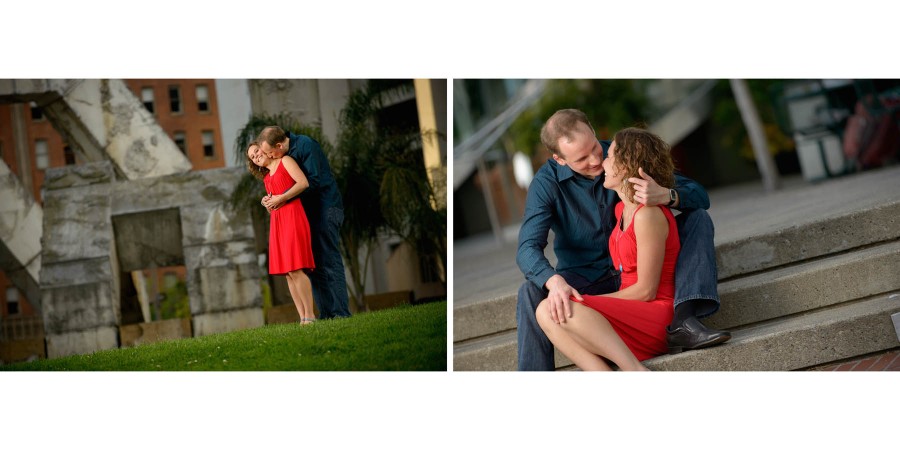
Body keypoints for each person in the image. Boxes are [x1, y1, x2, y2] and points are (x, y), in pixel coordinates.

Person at [516, 109, 730, 371]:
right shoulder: (546, 184)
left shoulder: (622, 157)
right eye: (582, 158)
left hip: (641, 271)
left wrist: (666, 195)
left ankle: (684, 319)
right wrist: (554, 280)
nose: (596, 159)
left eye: (595, 147)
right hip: (587, 278)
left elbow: (698, 194)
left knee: (697, 217)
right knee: (533, 290)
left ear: (594, 132)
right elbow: (527, 247)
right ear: (559, 159)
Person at [536, 127, 681, 370]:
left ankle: (635, 371)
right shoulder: (620, 211)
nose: (602, 161)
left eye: (610, 156)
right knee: (545, 310)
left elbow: (646, 291)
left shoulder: (648, 216)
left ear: (625, 166)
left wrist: (588, 302)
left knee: (561, 306)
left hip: (653, 313)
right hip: (629, 311)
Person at [251, 126, 352, 319]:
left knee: (329, 261)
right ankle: (327, 314)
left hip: (326, 208)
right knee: (313, 266)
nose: (269, 156)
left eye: (270, 152)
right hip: (309, 213)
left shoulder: (306, 146)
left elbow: (311, 182)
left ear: (279, 146)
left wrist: (282, 197)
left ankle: (340, 313)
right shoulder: (283, 156)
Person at [247, 142, 318, 324]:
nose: (256, 157)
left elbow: (303, 183)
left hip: (294, 216)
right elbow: (275, 206)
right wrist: (268, 203)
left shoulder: (285, 160)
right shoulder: (267, 178)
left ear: (264, 148)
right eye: (253, 157)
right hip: (278, 222)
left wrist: (281, 197)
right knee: (288, 272)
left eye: (256, 151)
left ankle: (310, 314)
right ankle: (302, 317)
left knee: (296, 268)